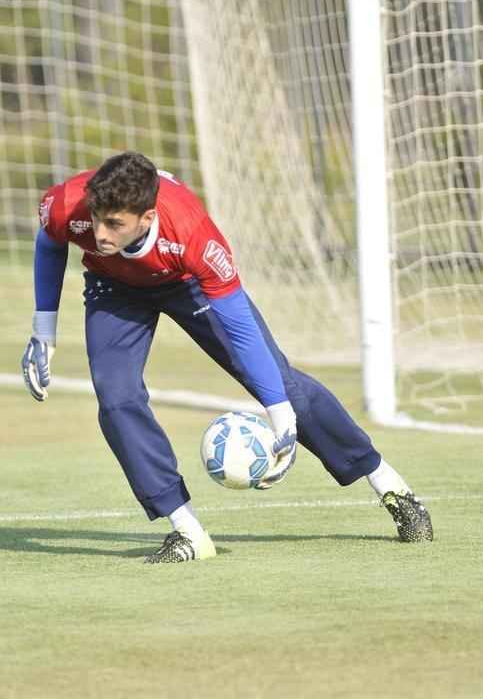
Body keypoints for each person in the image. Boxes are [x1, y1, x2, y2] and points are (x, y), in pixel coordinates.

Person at [22, 151, 433, 564]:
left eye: (114, 224)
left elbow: (239, 327)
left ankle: (389, 485)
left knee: (283, 385)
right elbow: (50, 242)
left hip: (188, 285)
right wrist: (43, 330)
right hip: (114, 287)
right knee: (116, 398)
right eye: (96, 219)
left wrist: (278, 410)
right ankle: (186, 531)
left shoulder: (194, 235)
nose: (100, 232)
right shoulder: (67, 203)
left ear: (147, 218)